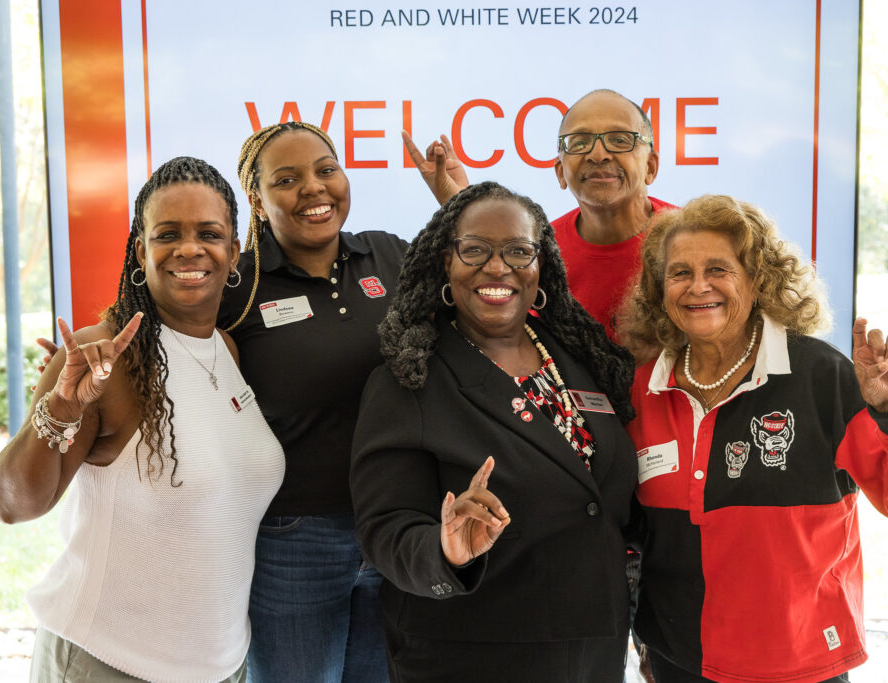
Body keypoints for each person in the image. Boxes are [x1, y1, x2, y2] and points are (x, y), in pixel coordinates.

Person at [618, 194, 888, 683]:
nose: (698, 287)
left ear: (758, 280)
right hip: (680, 656)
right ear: (659, 289)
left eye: (719, 269)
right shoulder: (643, 388)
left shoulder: (822, 376)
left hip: (800, 659)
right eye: (679, 273)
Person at [0, 157, 285, 682]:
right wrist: (61, 409)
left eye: (209, 233)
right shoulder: (102, 355)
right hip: (106, 661)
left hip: (222, 667)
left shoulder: (229, 352)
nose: (189, 249)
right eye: (167, 233)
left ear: (233, 251)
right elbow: (13, 505)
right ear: (141, 251)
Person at [350, 181, 639, 682]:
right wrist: (444, 553)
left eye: (518, 251)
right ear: (446, 263)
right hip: (473, 653)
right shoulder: (410, 379)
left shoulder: (582, 358)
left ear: (541, 264)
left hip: (593, 646)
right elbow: (384, 529)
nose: (497, 267)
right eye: (475, 250)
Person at [218, 121, 408, 682]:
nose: (315, 188)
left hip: (395, 525)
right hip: (293, 536)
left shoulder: (388, 254)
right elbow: (165, 334)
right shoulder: (238, 285)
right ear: (256, 198)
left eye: (327, 169)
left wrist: (452, 193)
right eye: (287, 178)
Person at [404, 88, 677, 335]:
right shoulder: (536, 253)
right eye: (580, 142)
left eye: (619, 140)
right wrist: (463, 206)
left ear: (651, 167)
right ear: (560, 172)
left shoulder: (692, 238)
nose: (598, 154)